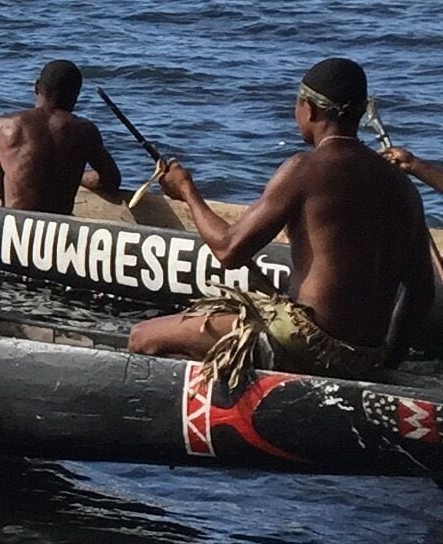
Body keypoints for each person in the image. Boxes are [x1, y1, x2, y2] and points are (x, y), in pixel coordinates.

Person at [129, 59, 435, 379]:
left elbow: (228, 250)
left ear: (310, 110)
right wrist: (386, 361)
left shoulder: (306, 168)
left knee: (143, 337)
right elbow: (421, 291)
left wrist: (187, 191)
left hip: (306, 343)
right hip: (366, 357)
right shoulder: (403, 186)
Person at [0, 60, 123, 214]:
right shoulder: (85, 131)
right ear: (76, 95)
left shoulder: (3, 126)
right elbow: (111, 180)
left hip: (15, 222)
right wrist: (79, 178)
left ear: (37, 86)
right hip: (59, 222)